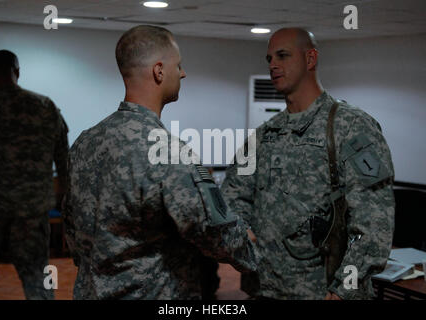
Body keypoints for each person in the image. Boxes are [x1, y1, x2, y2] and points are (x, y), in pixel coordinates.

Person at [63, 25, 257, 300]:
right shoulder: (168, 151)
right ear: (159, 71)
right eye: (178, 65)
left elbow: (73, 229)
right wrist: (253, 251)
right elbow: (213, 231)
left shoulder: (85, 142)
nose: (183, 73)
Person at [221, 28, 395, 300]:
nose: (273, 65)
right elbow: (232, 200)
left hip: (323, 293)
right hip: (266, 290)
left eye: (283, 56)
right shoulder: (265, 136)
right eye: (269, 59)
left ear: (310, 59)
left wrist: (343, 291)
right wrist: (244, 237)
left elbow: (374, 224)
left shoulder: (351, 127)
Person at [0, 50, 69, 299]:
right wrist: (63, 197)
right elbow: (63, 158)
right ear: (17, 72)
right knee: (36, 278)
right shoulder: (44, 106)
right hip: (32, 209)